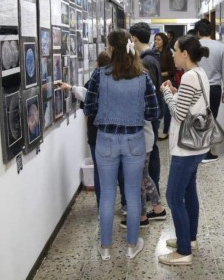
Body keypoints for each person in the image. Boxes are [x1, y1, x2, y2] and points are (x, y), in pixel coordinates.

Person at [83, 30, 160, 261]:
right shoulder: (142, 76)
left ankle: (105, 247)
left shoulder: (99, 74)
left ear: (112, 49)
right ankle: (131, 245)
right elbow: (153, 112)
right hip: (134, 140)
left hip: (105, 139)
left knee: (107, 194)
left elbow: (88, 107)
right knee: (132, 195)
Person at [158, 35, 211, 266]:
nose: (172, 54)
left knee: (173, 196)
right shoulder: (199, 73)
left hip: (185, 148)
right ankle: (189, 239)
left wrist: (167, 93)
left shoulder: (189, 76)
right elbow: (191, 104)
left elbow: (179, 115)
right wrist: (176, 91)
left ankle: (183, 251)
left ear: (185, 54)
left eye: (175, 50)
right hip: (198, 145)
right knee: (189, 191)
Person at [60, 51, 111, 209]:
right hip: (113, 133)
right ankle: (122, 204)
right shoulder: (120, 80)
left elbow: (88, 99)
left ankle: (102, 205)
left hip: (97, 133)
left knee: (100, 170)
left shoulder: (96, 78)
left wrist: (71, 88)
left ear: (97, 64)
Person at [129, 22, 164, 194]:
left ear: (134, 39)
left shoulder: (147, 61)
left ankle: (152, 189)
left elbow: (145, 91)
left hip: (150, 115)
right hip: (153, 113)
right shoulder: (150, 57)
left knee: (151, 152)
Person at [193, 19, 224, 163]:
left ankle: (196, 149)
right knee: (210, 119)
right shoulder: (221, 47)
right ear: (211, 31)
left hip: (197, 85)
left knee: (196, 116)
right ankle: (205, 152)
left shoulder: (194, 46)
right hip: (214, 88)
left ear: (198, 32)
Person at [154, 32, 175, 140]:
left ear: (164, 41)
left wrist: (160, 73)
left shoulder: (168, 53)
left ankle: (166, 131)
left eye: (159, 40)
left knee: (167, 109)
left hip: (167, 83)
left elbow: (173, 70)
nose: (156, 42)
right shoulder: (154, 53)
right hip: (157, 84)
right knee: (159, 108)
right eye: (155, 39)